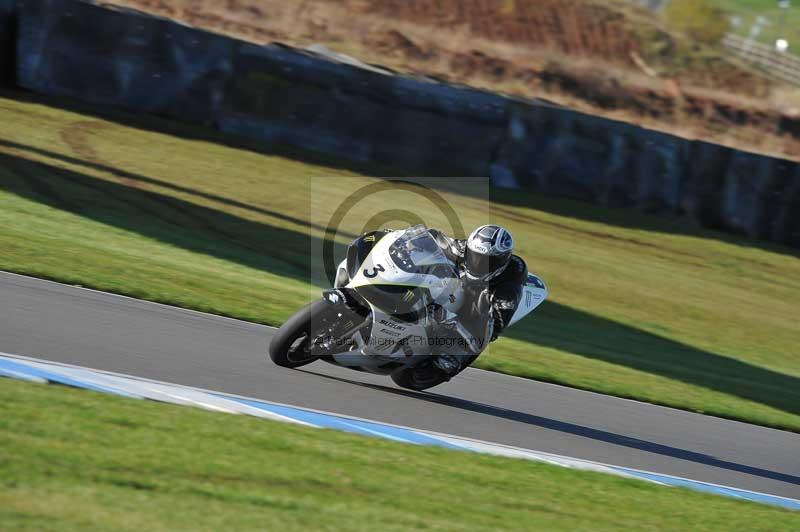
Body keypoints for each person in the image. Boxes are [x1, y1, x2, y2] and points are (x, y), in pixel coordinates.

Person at [426, 224, 528, 380]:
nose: (479, 263)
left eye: (487, 261)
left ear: (501, 261)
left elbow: (492, 330)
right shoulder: (461, 248)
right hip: (461, 283)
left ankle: (456, 358)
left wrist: (450, 319)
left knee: (485, 326)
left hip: (485, 295)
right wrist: (404, 237)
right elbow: (434, 237)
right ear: (469, 249)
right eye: (475, 256)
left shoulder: (508, 289)